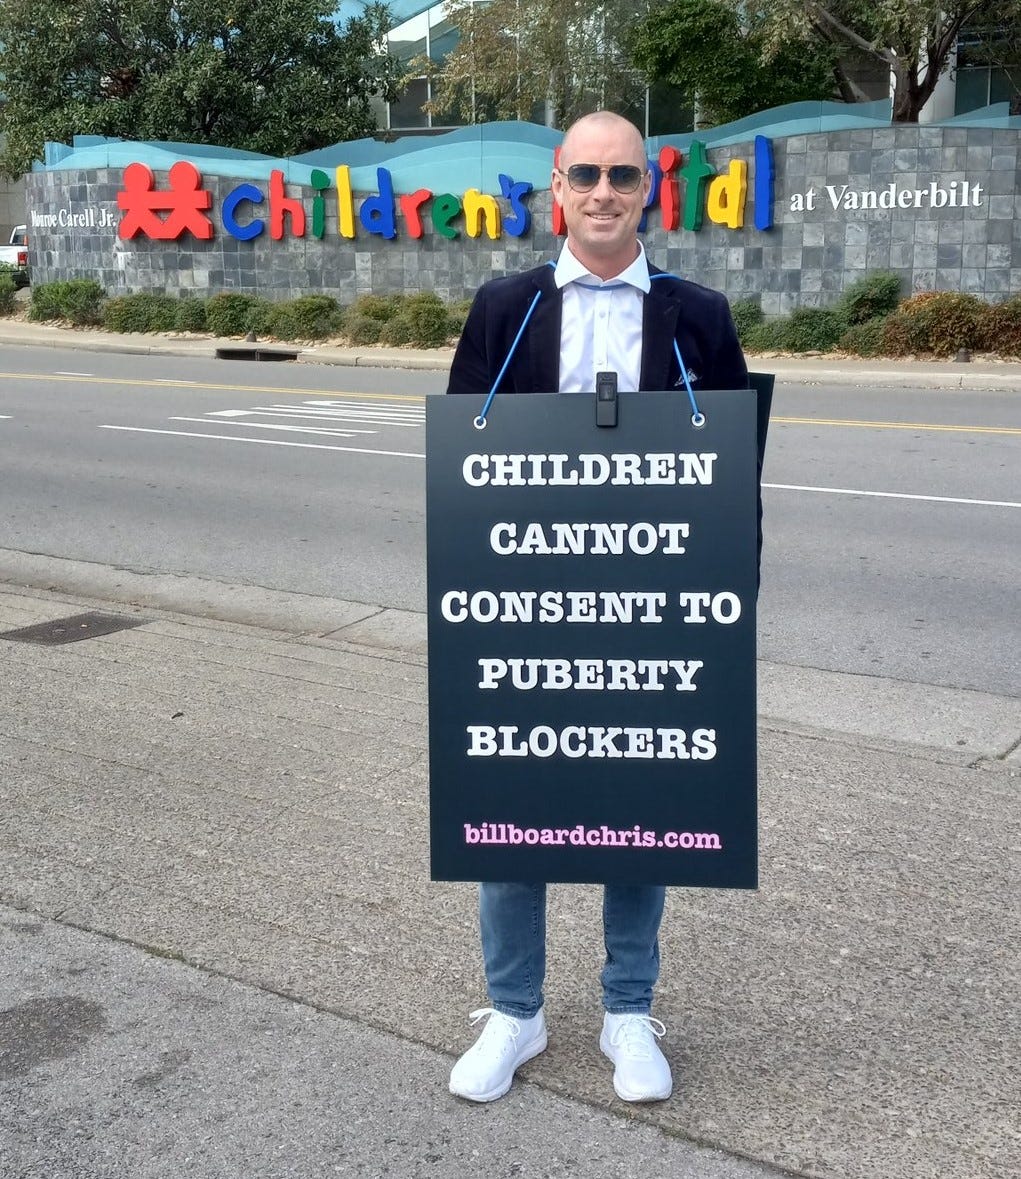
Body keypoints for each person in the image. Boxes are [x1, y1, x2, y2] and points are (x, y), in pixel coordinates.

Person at [445, 110, 748, 1105]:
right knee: (508, 801)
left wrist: (730, 600)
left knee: (642, 803)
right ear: (557, 188)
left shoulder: (699, 316)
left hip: (655, 602)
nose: (604, 191)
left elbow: (732, 480)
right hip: (524, 602)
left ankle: (627, 1010)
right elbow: (465, 471)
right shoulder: (505, 310)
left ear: (647, 188)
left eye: (622, 174)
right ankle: (514, 1010)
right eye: (586, 174)